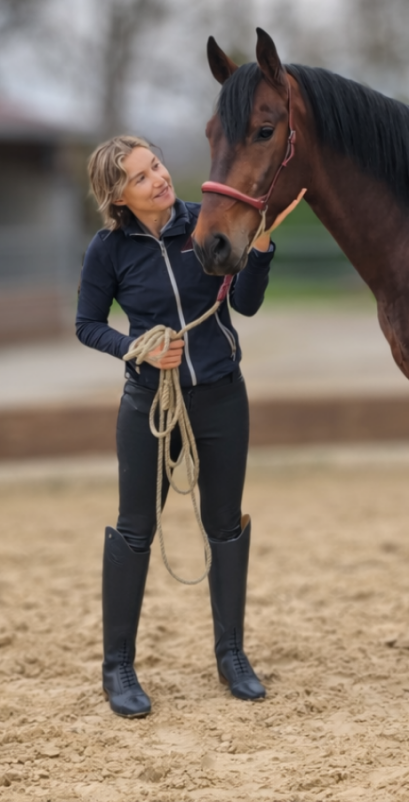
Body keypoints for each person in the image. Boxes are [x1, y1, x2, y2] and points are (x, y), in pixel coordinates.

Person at [76, 134, 301, 718]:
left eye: (157, 165)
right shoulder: (107, 250)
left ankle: (231, 655)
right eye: (142, 176)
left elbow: (245, 305)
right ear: (119, 196)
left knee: (225, 525)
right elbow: (86, 324)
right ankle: (118, 668)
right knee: (134, 530)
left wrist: (264, 249)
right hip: (151, 402)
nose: (160, 178)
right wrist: (137, 350)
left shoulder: (206, 224)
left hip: (223, 396)